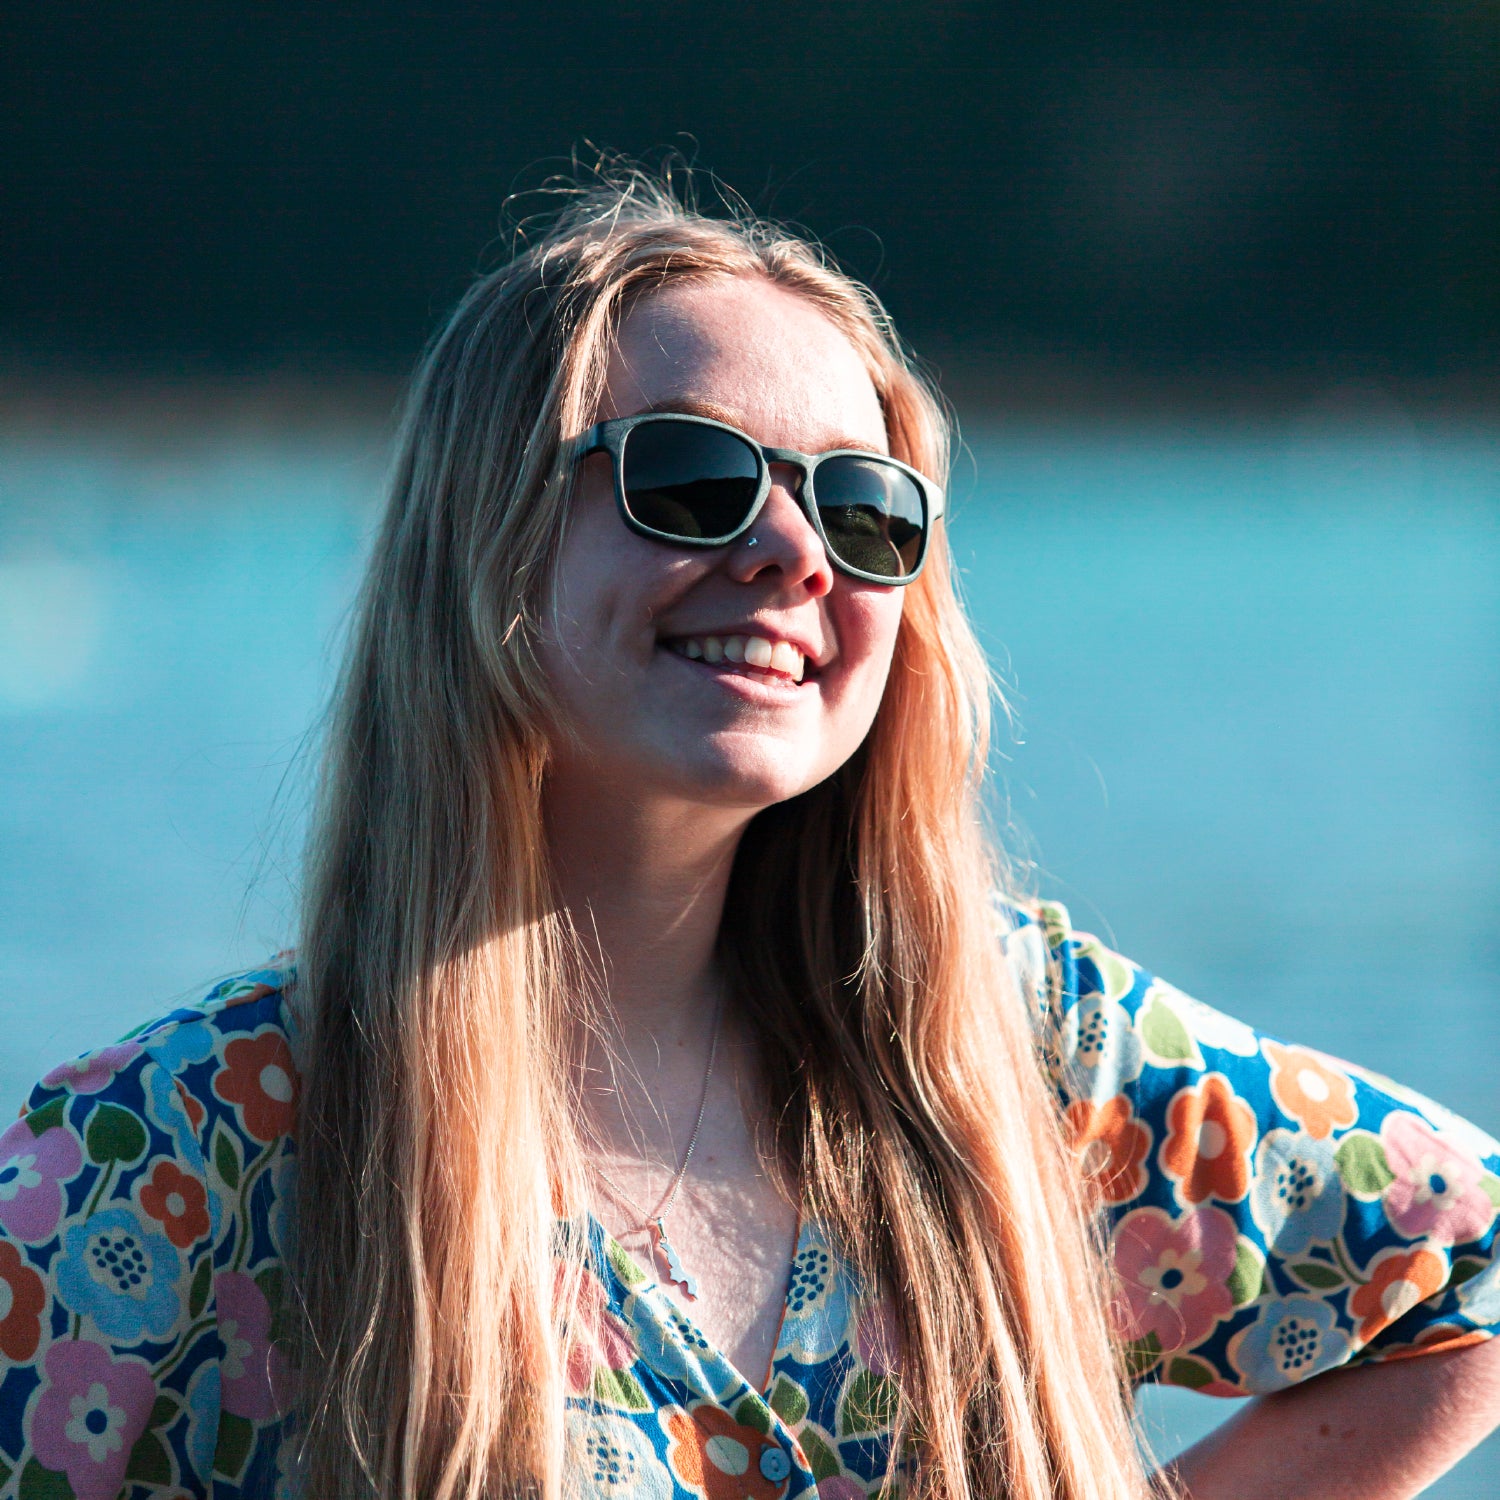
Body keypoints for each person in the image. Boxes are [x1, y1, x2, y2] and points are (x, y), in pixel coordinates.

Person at [1, 170, 1498, 1500]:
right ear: (485, 534)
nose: (792, 551)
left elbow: (1473, 1273)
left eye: (867, 510)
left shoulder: (1029, 1060)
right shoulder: (178, 1155)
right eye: (692, 479)